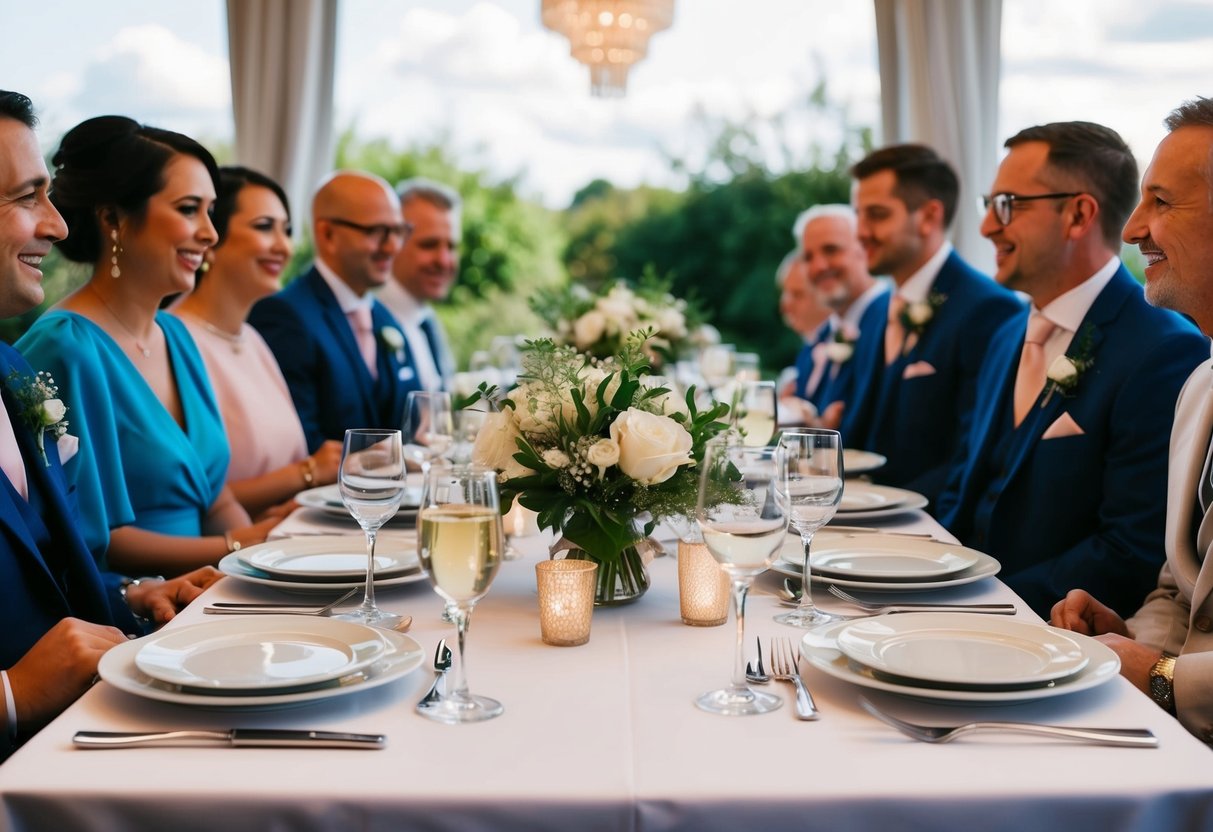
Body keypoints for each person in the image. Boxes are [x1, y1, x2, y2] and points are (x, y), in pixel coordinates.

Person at [0, 89, 220, 757]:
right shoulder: (59, 347)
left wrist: (137, 594)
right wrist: (9, 693)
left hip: (85, 734)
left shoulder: (11, 372)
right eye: (24, 198)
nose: (58, 225)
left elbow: (52, 568)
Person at [935, 121, 1206, 618]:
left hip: (1040, 637)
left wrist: (978, 607)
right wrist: (912, 579)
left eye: (1007, 206)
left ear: (1078, 214)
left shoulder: (1162, 351)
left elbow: (1131, 549)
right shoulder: (1004, 336)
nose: (987, 227)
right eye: (988, 205)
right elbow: (964, 487)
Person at [16, 115, 283, 576]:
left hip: (213, 587)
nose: (210, 234)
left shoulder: (176, 335)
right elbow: (96, 541)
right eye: (187, 209)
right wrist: (238, 544)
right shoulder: (66, 348)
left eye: (210, 211)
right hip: (133, 614)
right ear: (113, 219)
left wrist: (265, 562)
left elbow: (217, 498)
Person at [1052, 97, 1213, 740]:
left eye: (1163, 202)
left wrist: (1160, 675)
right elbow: (1179, 591)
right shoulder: (1200, 384)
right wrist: (1127, 642)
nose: (1133, 228)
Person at [850, 144, 1023, 504]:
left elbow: (973, 452)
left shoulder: (989, 309)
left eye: (877, 215)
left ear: (928, 216)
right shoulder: (876, 310)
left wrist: (885, 510)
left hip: (923, 529)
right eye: (858, 215)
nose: (861, 232)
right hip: (851, 520)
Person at [173, 167, 341, 518]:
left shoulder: (253, 340)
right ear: (211, 238)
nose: (284, 246)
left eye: (288, 231)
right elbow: (191, 497)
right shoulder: (174, 340)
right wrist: (308, 472)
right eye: (265, 227)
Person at [249, 171, 422, 452]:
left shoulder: (385, 318)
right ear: (328, 234)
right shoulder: (284, 316)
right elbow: (297, 442)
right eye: (377, 232)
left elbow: (413, 423)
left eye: (399, 231)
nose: (392, 247)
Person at [796, 204, 888, 437]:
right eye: (808, 257)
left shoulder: (891, 320)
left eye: (831, 250)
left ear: (863, 249)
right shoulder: (820, 336)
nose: (818, 266)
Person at [378, 177, 461, 392]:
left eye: (451, 246)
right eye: (429, 245)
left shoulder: (427, 321)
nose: (444, 261)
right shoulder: (367, 320)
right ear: (393, 242)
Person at [776, 247, 834, 423]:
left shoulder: (848, 339)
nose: (784, 306)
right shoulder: (809, 347)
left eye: (797, 294)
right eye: (784, 294)